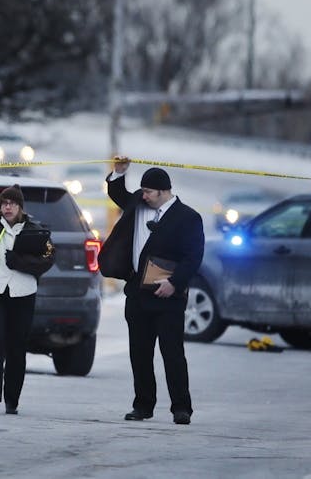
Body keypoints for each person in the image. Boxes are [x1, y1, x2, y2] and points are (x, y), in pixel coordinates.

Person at [98, 156, 205, 425]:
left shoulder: (188, 218)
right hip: (137, 293)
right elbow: (117, 192)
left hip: (168, 296)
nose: (143, 195)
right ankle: (143, 405)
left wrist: (175, 283)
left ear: (164, 191)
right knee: (140, 354)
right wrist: (119, 173)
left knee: (172, 354)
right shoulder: (138, 203)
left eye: (148, 191)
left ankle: (181, 407)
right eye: (142, 191)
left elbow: (194, 256)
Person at [0, 165, 54, 415]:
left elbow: (48, 258)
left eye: (13, 203)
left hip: (22, 295)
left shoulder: (35, 230)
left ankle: (12, 398)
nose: (7, 207)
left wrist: (22, 263)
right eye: (4, 203)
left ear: (20, 207)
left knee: (16, 346)